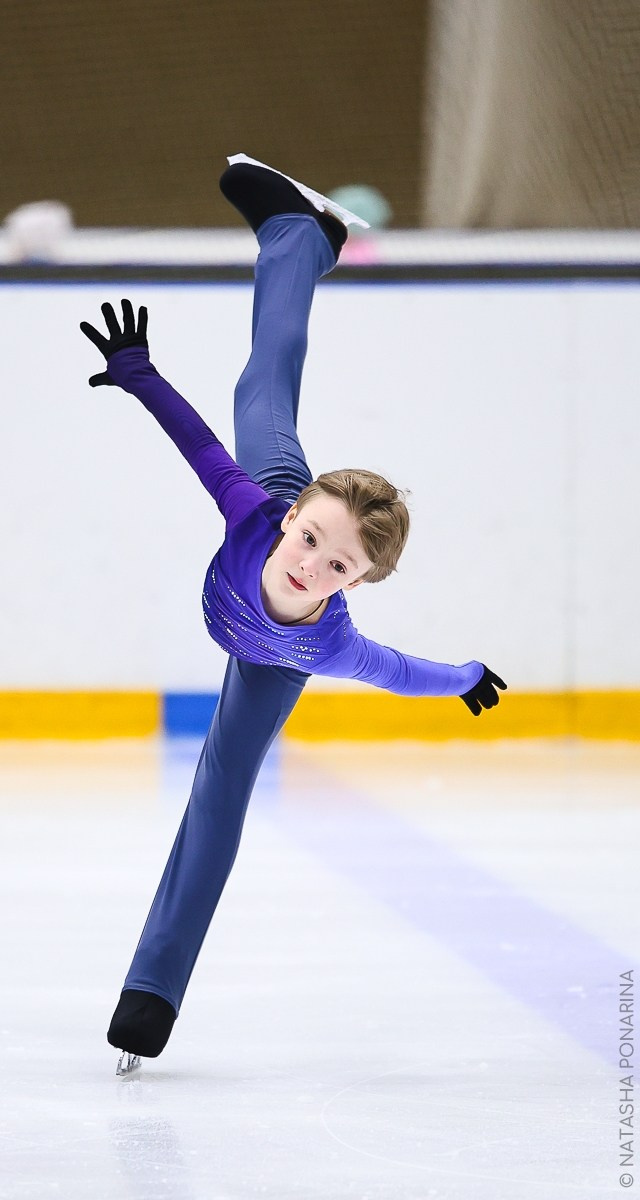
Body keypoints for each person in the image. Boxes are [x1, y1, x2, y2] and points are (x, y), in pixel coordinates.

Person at [80, 155, 506, 1075]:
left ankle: (151, 993)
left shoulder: (332, 643)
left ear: (353, 584)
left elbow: (406, 673)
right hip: (275, 479)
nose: (307, 561)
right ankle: (299, 236)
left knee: (220, 797)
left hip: (262, 663)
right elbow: (196, 441)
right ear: (301, 512)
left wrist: (468, 679)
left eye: (335, 563)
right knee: (257, 396)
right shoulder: (260, 511)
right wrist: (138, 373)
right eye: (312, 537)